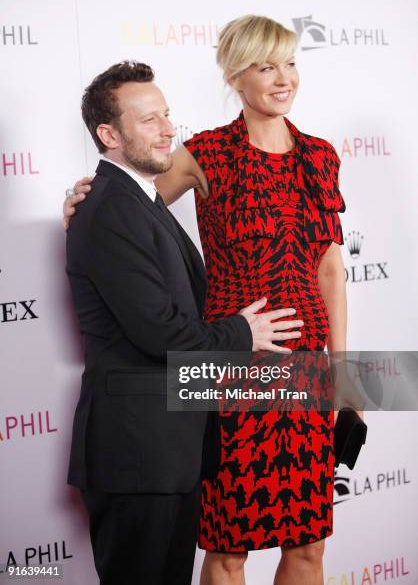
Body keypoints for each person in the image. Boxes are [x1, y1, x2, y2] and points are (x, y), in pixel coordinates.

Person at [65, 59, 303, 585]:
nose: (169, 128)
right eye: (149, 120)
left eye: (167, 115)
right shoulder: (109, 209)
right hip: (136, 458)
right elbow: (161, 332)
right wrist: (245, 331)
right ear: (109, 134)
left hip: (167, 452)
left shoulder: (139, 202)